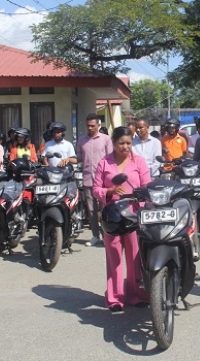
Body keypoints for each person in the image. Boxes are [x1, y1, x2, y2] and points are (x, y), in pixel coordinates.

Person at [93, 126, 150, 313]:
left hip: (134, 215)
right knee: (114, 258)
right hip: (113, 216)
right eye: (121, 143)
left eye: (128, 143)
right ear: (113, 143)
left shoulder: (139, 162)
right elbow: (96, 189)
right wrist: (109, 191)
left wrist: (142, 199)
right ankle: (115, 298)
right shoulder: (104, 163)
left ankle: (136, 295)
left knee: (135, 257)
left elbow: (147, 186)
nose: (125, 147)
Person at [77, 113, 113, 247]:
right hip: (88, 180)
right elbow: (79, 158)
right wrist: (68, 159)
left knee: (105, 209)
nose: (90, 128)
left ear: (98, 125)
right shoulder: (81, 140)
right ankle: (95, 235)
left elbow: (111, 159)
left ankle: (107, 235)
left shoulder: (106, 139)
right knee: (91, 211)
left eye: (93, 125)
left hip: (104, 182)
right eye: (88, 126)